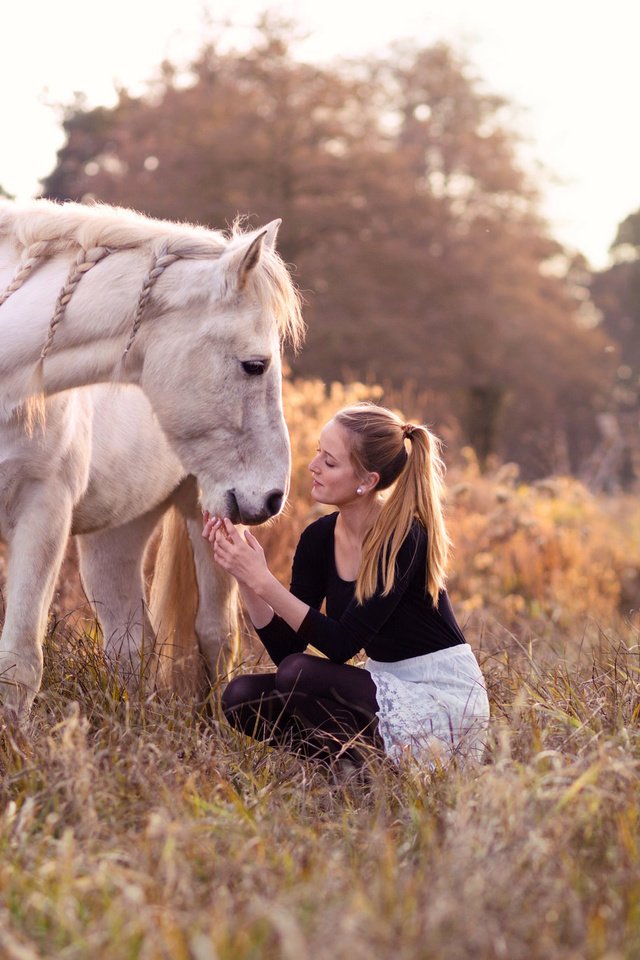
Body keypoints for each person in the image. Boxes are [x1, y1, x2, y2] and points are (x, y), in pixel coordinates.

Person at [202, 403, 490, 766]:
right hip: (382, 688)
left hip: (441, 699)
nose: (313, 466)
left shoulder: (404, 538)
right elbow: (288, 648)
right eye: (318, 453)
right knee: (241, 697)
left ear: (367, 481)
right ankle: (354, 768)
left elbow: (341, 645)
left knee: (297, 674)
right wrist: (245, 574)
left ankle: (361, 774)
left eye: (330, 461)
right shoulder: (318, 539)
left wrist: (264, 580)